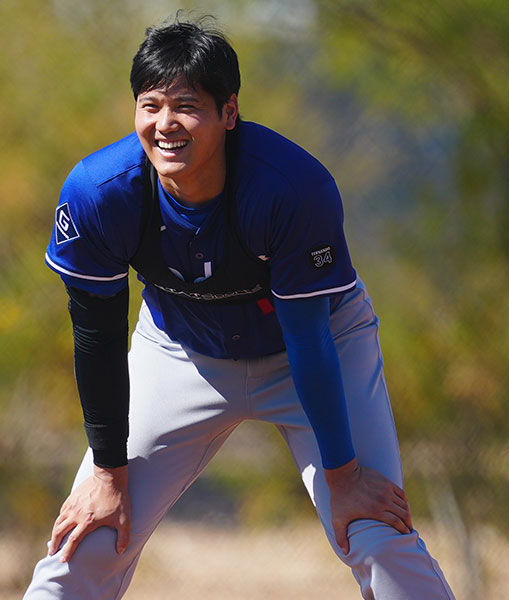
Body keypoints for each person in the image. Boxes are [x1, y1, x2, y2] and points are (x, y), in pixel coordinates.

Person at [25, 16, 455, 600]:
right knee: (89, 537)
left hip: (317, 344)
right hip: (181, 350)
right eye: (150, 105)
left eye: (186, 105)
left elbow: (307, 339)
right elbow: (97, 338)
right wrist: (107, 472)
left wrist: (345, 479)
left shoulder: (288, 187)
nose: (165, 124)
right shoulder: (99, 193)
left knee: (374, 533)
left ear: (229, 113)